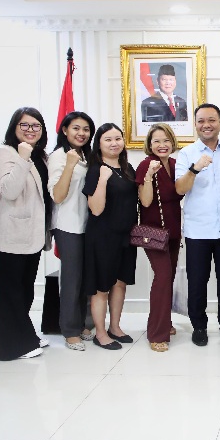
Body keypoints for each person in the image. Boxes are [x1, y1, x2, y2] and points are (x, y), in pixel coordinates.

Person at [175, 104, 220, 346]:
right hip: (198, 231)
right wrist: (195, 168)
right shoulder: (186, 154)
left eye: (211, 120)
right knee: (197, 281)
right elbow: (180, 189)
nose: (207, 125)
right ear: (195, 124)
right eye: (201, 120)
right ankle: (199, 326)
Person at [0, 107, 52, 361]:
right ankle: (8, 347)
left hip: (32, 234)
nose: (30, 130)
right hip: (10, 233)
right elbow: (9, 190)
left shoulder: (42, 156)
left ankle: (25, 336)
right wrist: (23, 159)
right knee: (8, 291)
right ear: (14, 128)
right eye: (24, 125)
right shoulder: (6, 153)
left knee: (25, 289)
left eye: (36, 126)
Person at [83, 123, 138, 350]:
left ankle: (115, 327)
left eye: (118, 138)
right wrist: (104, 179)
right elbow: (95, 208)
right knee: (101, 288)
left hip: (125, 236)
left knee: (119, 284)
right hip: (102, 237)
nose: (114, 143)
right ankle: (101, 333)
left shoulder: (127, 168)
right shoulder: (96, 169)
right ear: (99, 144)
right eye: (108, 139)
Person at [48, 111, 96, 351]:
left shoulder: (86, 155)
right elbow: (57, 195)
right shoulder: (59, 156)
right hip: (68, 226)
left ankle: (82, 323)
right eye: (76, 128)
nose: (81, 133)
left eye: (86, 129)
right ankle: (69, 330)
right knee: (71, 280)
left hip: (87, 225)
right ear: (65, 130)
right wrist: (68, 165)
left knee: (85, 278)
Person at [136, 123, 184, 352]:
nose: (162, 145)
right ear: (150, 144)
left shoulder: (176, 164)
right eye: (156, 141)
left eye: (166, 140)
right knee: (163, 277)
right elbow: (145, 202)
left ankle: (165, 321)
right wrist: (148, 176)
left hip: (174, 230)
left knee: (169, 276)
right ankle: (156, 333)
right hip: (153, 233)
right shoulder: (146, 165)